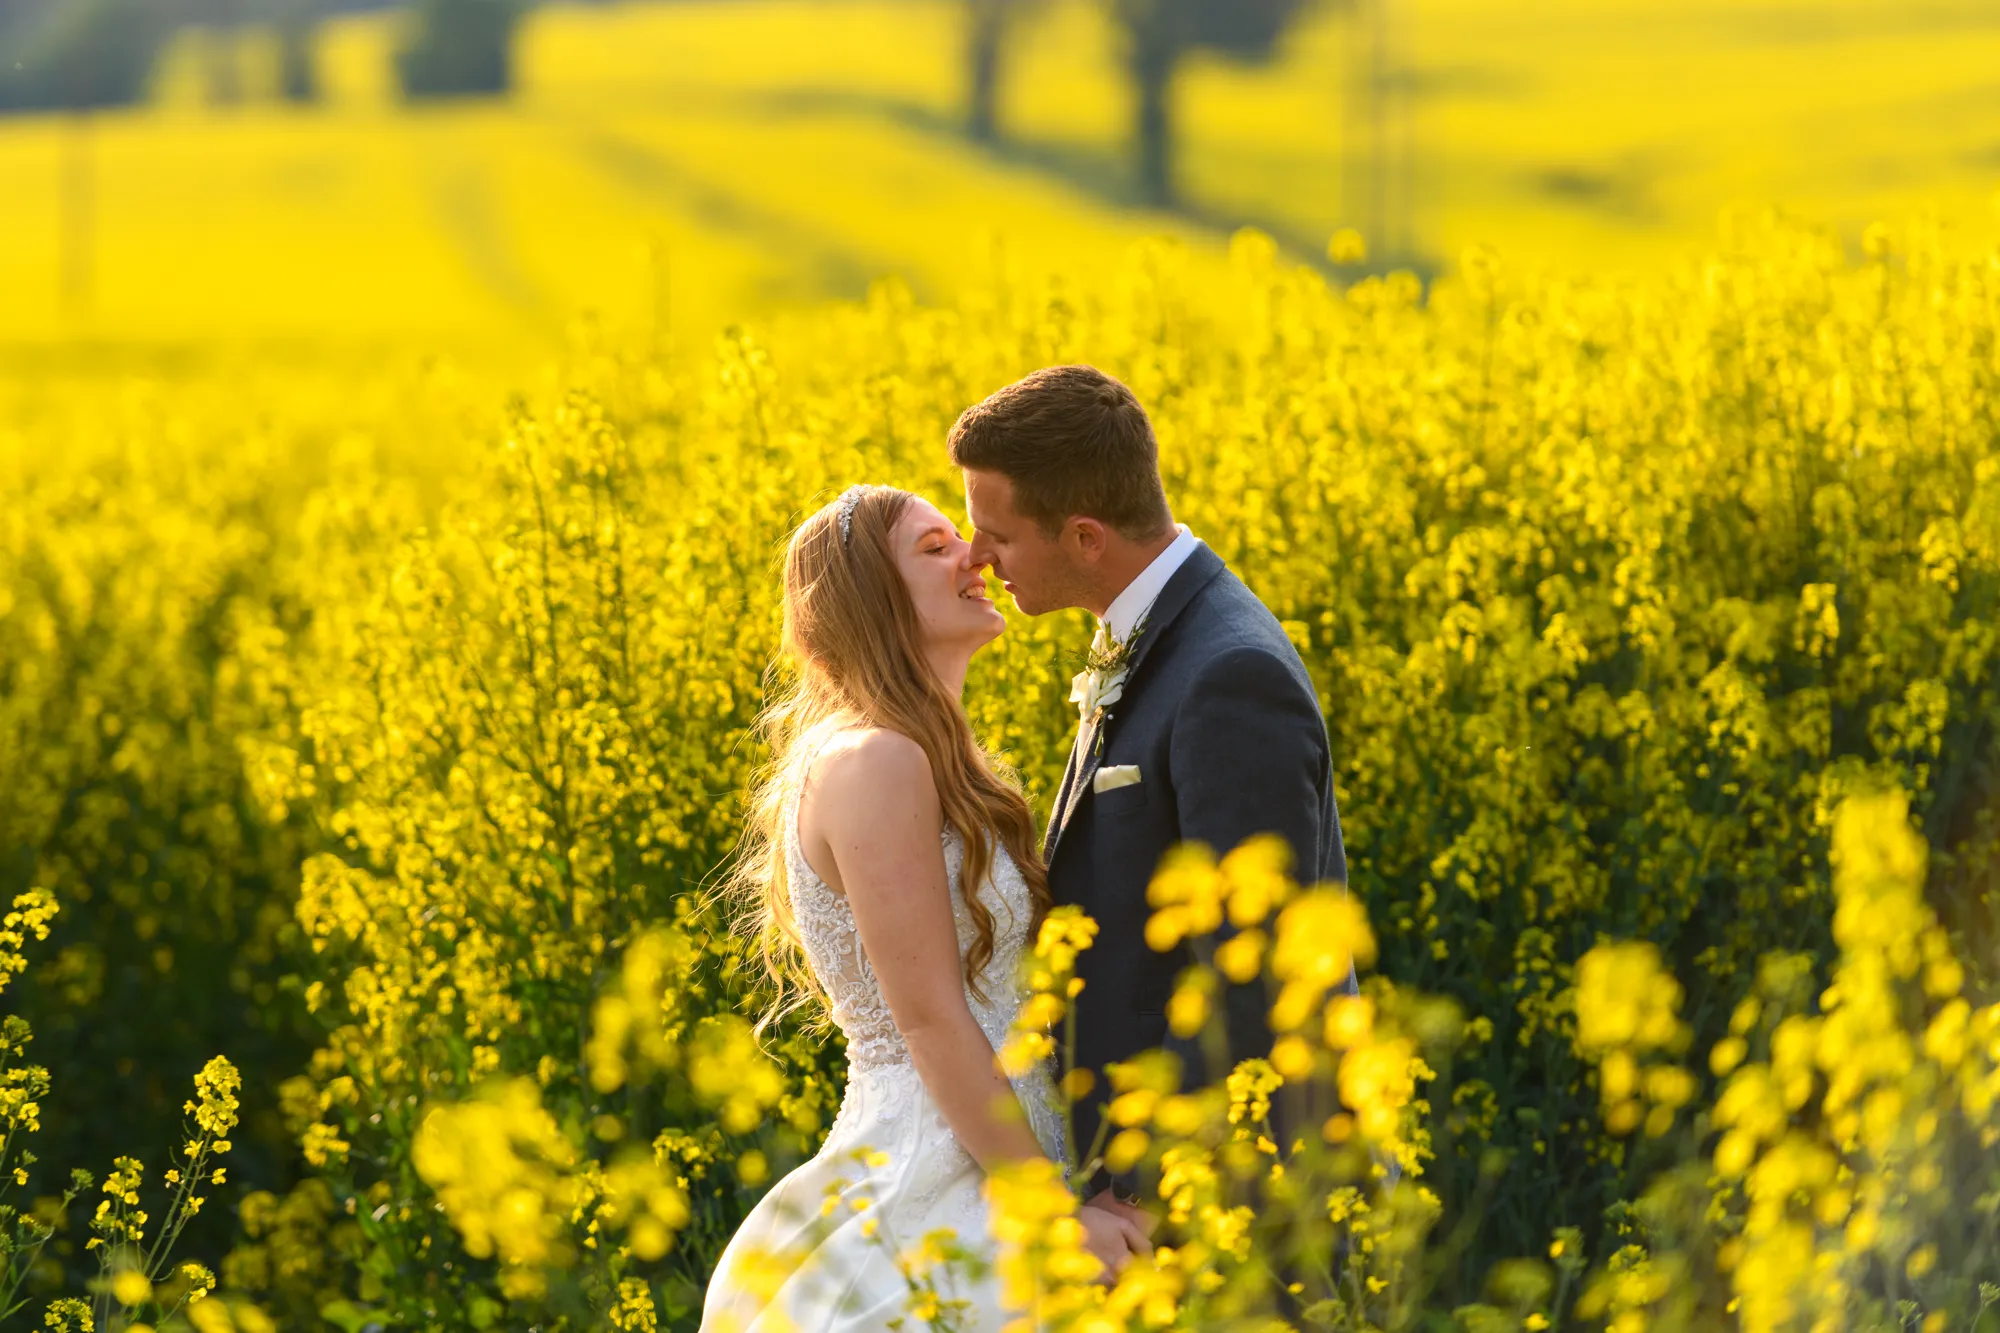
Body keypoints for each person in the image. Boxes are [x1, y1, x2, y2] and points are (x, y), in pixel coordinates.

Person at [699, 484, 1147, 1333]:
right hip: (937, 1173)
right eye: (936, 547)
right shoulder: (875, 762)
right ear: (875, 601)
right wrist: (1050, 1221)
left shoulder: (939, 759)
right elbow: (933, 1019)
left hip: (1003, 1144)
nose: (974, 556)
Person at [950, 363, 1354, 1237]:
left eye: (999, 535)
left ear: (1086, 537)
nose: (976, 556)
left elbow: (1251, 969)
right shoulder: (1156, 635)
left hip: (1238, 1202)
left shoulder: (1229, 675)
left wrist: (1131, 1189)